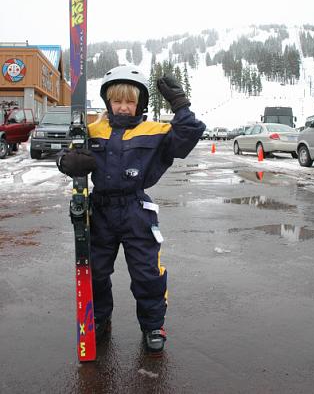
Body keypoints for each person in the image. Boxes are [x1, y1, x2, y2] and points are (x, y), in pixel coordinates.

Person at [57, 65, 205, 354]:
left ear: (141, 104)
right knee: (95, 272)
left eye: (130, 101)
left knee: (146, 272)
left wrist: (180, 104)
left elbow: (188, 134)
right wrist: (67, 163)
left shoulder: (154, 131)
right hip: (98, 211)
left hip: (137, 210)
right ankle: (99, 318)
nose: (123, 107)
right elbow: (66, 151)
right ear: (107, 102)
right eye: (117, 101)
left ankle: (152, 325)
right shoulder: (92, 129)